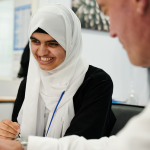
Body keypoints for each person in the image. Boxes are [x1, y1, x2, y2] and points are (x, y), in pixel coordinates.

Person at [0, 3, 116, 149]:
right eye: (35, 41)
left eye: (52, 43)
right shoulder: (30, 82)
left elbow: (83, 141)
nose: (41, 52)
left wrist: (23, 145)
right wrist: (8, 132)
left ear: (70, 43)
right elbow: (16, 137)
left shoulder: (97, 82)